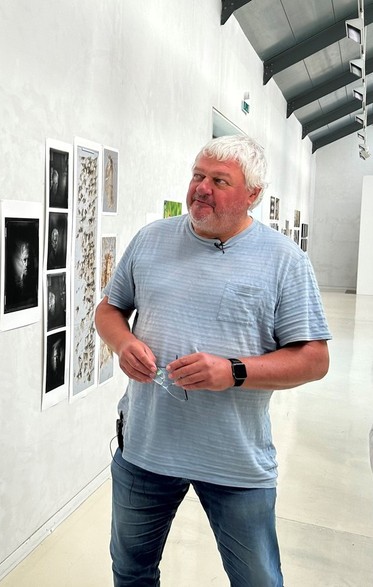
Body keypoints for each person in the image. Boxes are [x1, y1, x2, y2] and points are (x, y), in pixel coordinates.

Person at [94, 135, 331, 586]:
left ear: (253, 195)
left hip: (235, 459)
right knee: (130, 572)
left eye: (220, 180)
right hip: (146, 448)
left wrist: (234, 372)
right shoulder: (150, 240)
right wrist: (123, 344)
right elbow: (109, 310)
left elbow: (315, 359)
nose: (202, 188)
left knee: (258, 580)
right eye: (198, 175)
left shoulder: (286, 262)